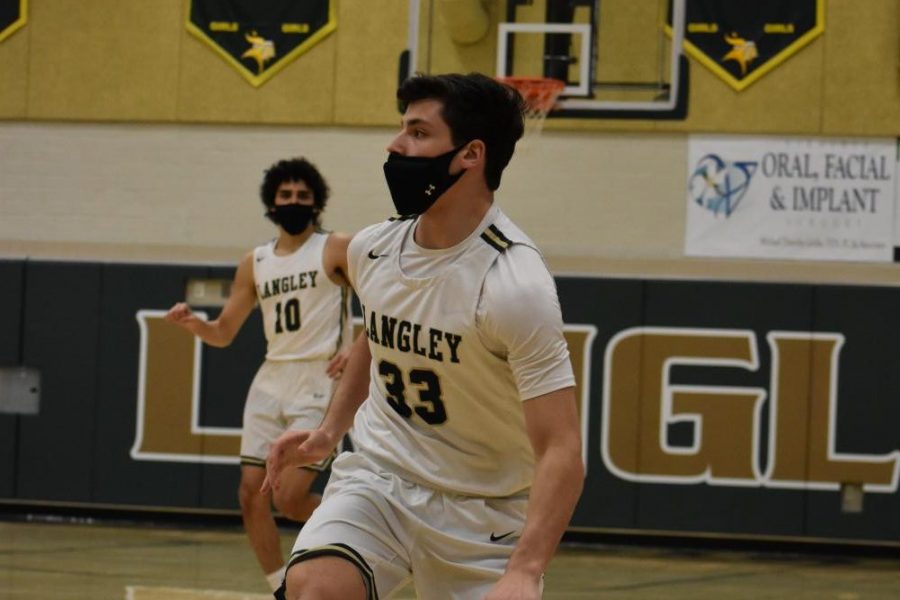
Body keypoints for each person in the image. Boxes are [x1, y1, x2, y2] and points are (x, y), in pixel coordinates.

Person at [264, 73, 584, 600]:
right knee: (314, 589)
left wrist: (525, 571)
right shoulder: (371, 248)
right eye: (400, 129)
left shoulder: (513, 285)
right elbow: (377, 334)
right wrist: (328, 432)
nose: (395, 145)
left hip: (483, 510)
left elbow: (562, 448)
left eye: (417, 132)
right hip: (379, 480)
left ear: (470, 154)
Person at [164, 157, 353, 593]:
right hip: (271, 378)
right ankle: (280, 587)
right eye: (285, 195)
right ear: (271, 202)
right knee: (251, 493)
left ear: (316, 203)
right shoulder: (255, 261)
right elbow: (224, 331)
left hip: (319, 376)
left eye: (303, 196)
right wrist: (195, 323)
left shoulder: (336, 247)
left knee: (289, 498)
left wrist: (355, 346)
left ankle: (376, 527)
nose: (294, 202)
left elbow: (382, 298)